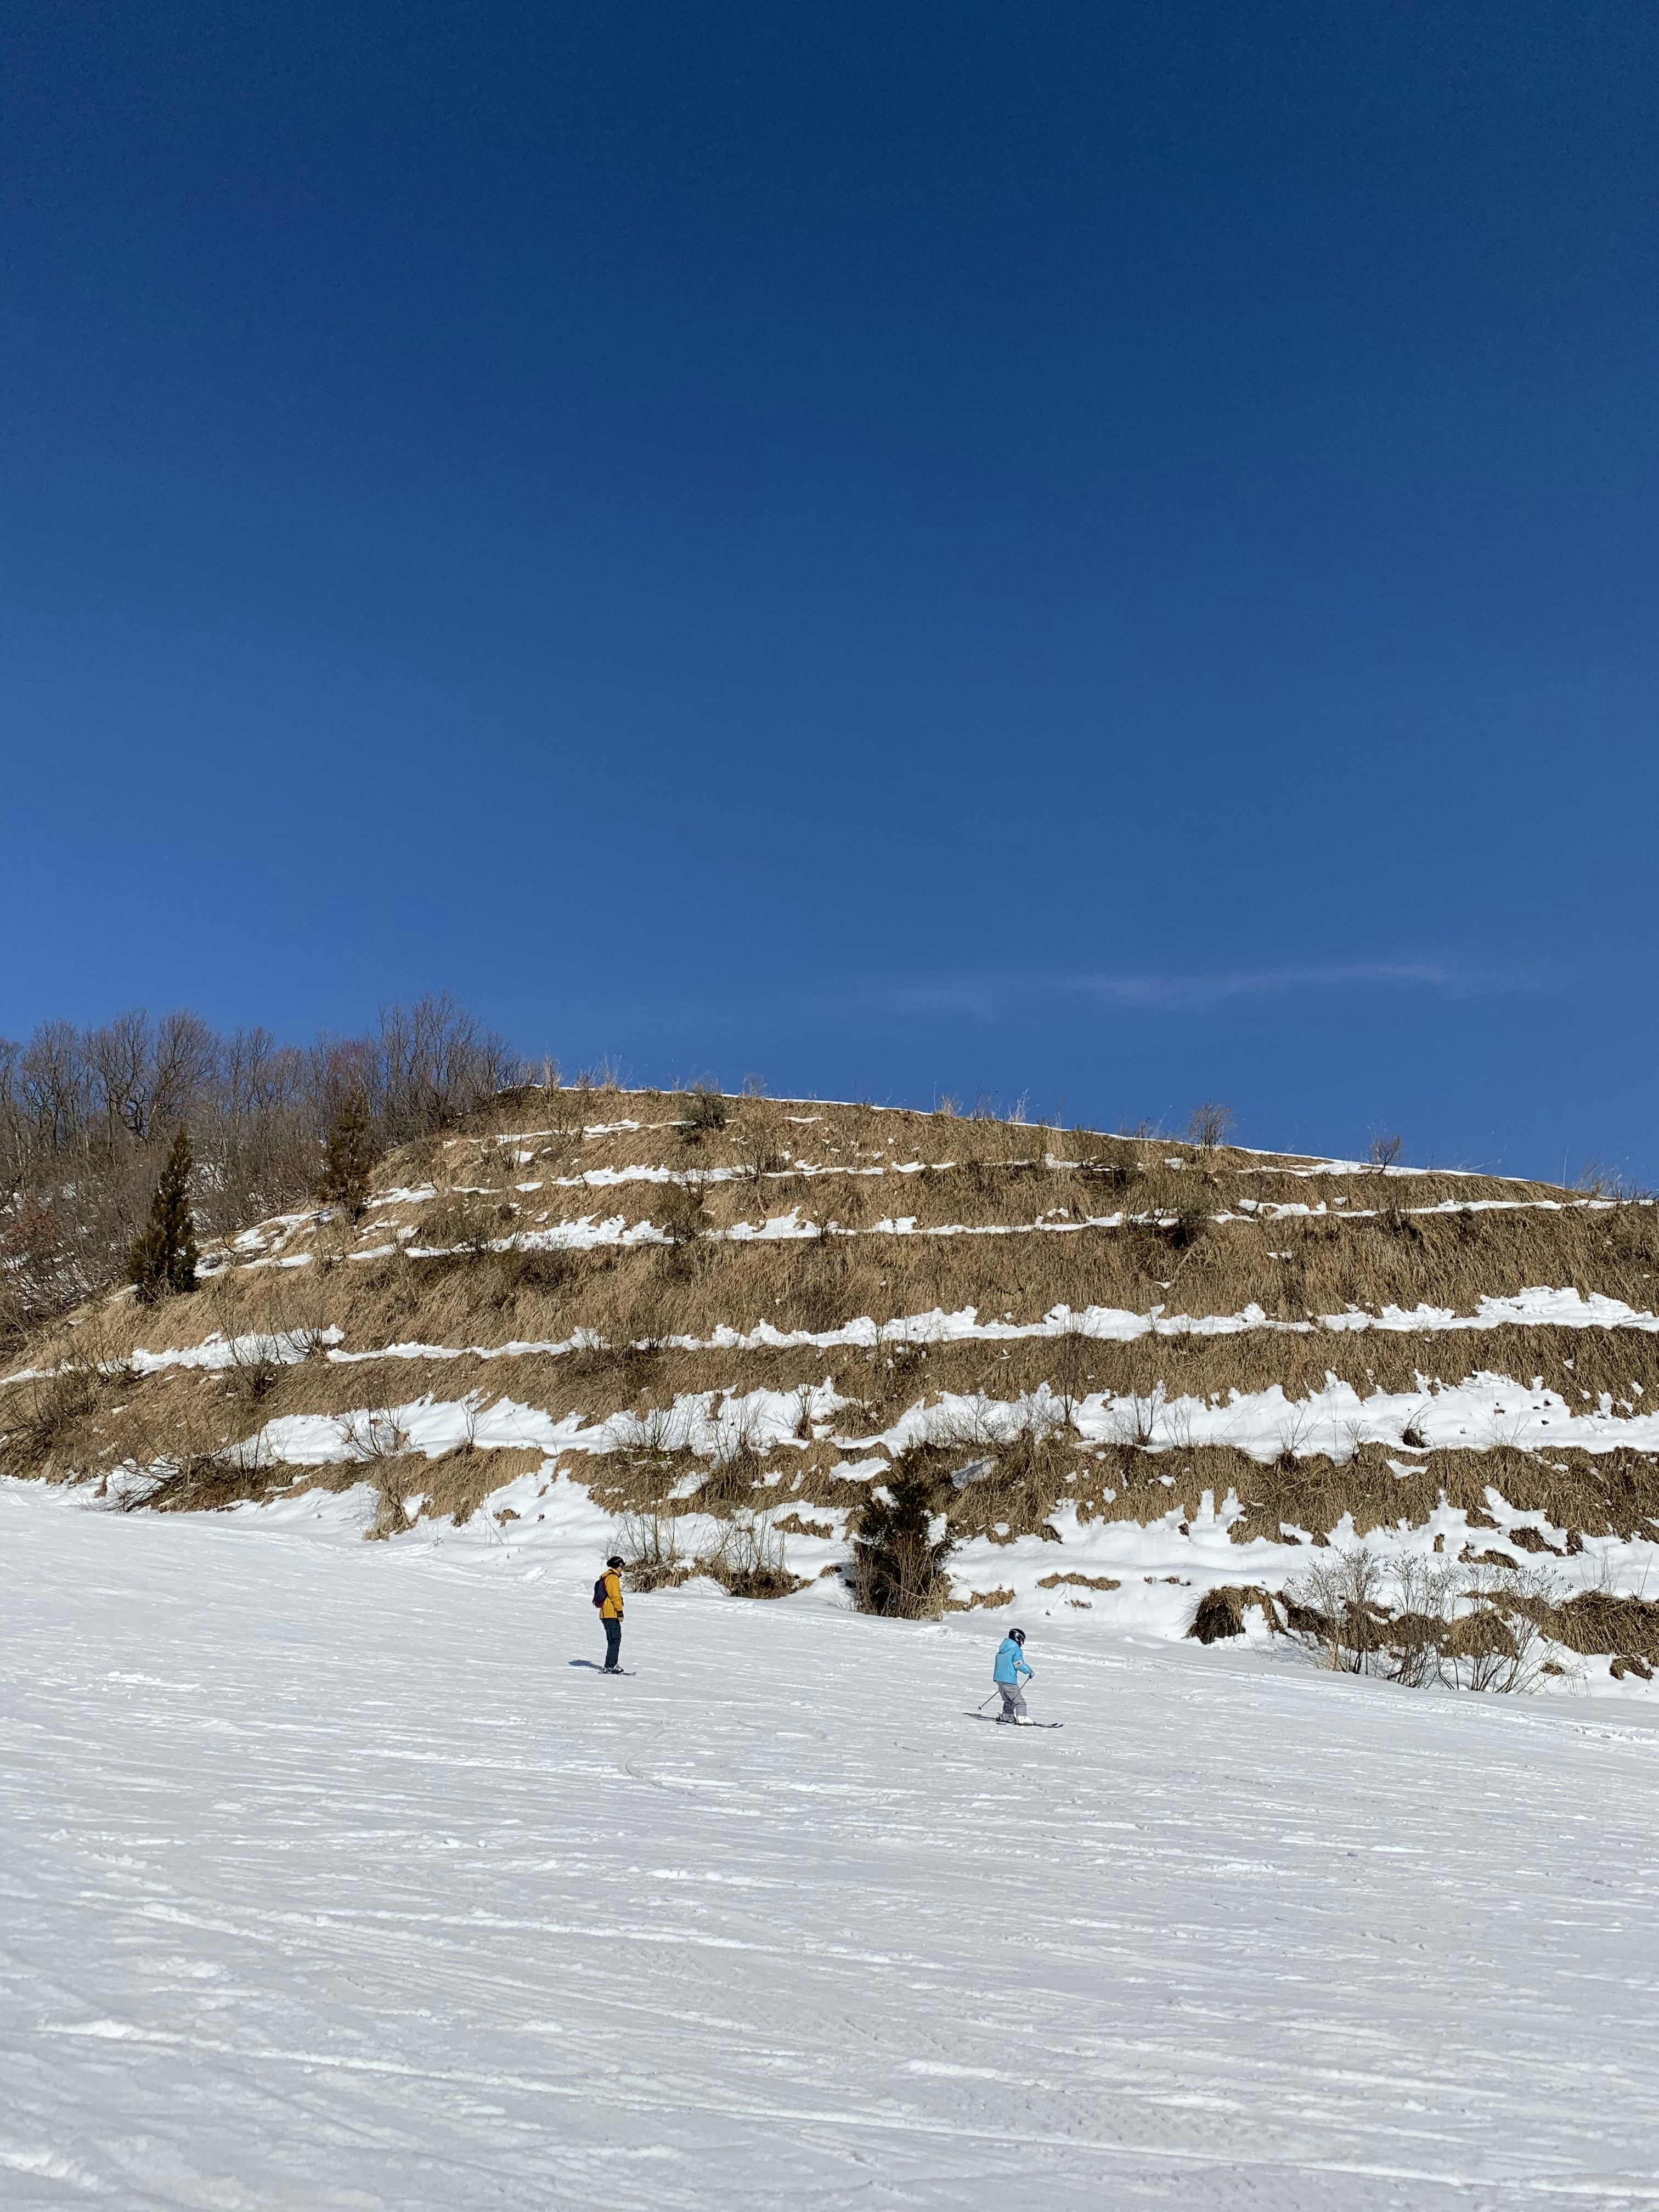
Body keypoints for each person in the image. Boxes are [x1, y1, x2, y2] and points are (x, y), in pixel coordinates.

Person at [992, 1627, 1033, 1722]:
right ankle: (1022, 1717)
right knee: (1020, 1702)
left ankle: (1008, 1715)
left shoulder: (1003, 1649)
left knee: (1009, 1700)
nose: (1022, 1644)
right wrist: (1029, 1671)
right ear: (1018, 1638)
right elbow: (1018, 1664)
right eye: (1022, 1641)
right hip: (1009, 1680)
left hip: (999, 1679)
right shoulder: (1016, 1650)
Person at [598, 1554, 625, 1673]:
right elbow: (615, 1596)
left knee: (612, 1640)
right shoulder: (613, 1578)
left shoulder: (607, 1577)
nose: (623, 1568)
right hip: (611, 1613)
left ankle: (610, 1664)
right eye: (623, 1565)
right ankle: (611, 1665)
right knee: (615, 1640)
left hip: (605, 1613)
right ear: (619, 1565)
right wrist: (619, 1611)